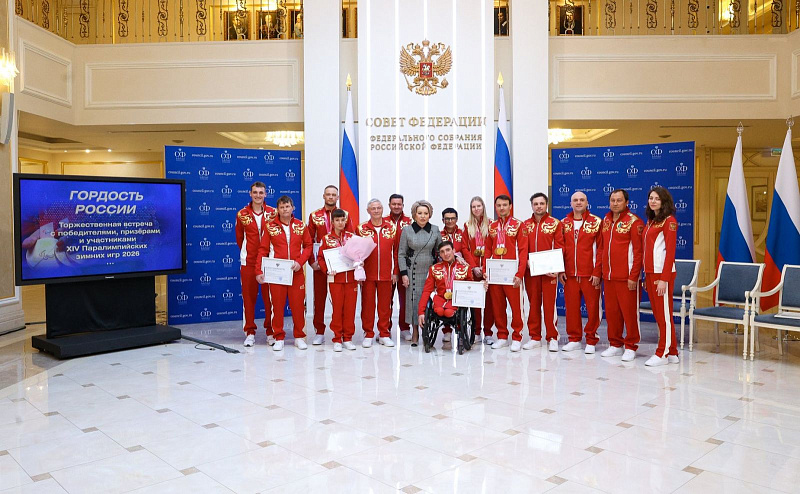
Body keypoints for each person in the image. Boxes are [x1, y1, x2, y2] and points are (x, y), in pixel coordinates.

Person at [256, 195, 313, 351]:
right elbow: (263, 249)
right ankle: (278, 336)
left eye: (287, 206)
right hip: (276, 273)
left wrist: (300, 262)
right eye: (281, 207)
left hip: (296, 272)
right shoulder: (269, 227)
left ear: (292, 208)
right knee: (277, 306)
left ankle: (299, 337)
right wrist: (259, 270)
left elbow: (308, 246)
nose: (284, 209)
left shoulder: (301, 225)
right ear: (278, 210)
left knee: (298, 306)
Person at [596, 189, 644, 362]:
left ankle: (631, 346)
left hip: (627, 278)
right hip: (608, 277)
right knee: (612, 313)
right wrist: (599, 272)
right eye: (612, 200)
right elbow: (601, 249)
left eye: (619, 200)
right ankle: (615, 344)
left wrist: (634, 276)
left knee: (630, 313)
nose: (615, 203)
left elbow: (639, 252)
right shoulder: (606, 221)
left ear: (626, 202)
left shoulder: (634, 222)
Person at [308, 185, 354, 346]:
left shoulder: (345, 215)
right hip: (321, 264)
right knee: (319, 299)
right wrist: (312, 262)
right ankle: (319, 331)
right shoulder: (315, 216)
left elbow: (352, 241)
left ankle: (344, 335)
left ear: (337, 197)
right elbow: (309, 240)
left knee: (342, 301)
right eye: (328, 194)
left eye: (334, 195)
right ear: (323, 196)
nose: (331, 197)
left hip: (342, 268)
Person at [558, 191, 603, 354]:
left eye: (581, 200)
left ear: (587, 202)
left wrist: (597, 271)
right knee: (571, 309)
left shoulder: (597, 222)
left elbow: (601, 250)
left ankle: (591, 339)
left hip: (590, 275)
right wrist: (560, 270)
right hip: (569, 274)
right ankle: (574, 338)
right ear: (570, 203)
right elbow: (559, 249)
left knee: (593, 308)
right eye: (575, 200)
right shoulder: (563, 223)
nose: (578, 203)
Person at [642, 187, 680, 367]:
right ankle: (672, 352)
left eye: (657, 198)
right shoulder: (651, 221)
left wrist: (664, 278)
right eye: (651, 198)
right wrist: (646, 273)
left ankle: (662, 353)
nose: (653, 201)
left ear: (664, 201)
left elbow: (670, 252)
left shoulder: (669, 221)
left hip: (662, 274)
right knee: (660, 315)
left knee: (664, 315)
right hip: (650, 272)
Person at [485, 195, 528, 351]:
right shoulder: (492, 226)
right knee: (498, 306)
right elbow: (488, 250)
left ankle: (517, 337)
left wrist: (520, 273)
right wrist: (486, 271)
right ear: (495, 207)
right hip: (496, 274)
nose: (501, 208)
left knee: (516, 307)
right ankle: (502, 336)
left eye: (504, 205)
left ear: (510, 206)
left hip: (512, 274)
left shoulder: (518, 225)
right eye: (499, 205)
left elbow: (523, 251)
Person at [236, 181, 277, 347]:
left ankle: (271, 332)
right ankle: (250, 332)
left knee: (270, 299)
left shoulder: (273, 213)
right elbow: (240, 238)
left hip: (269, 261)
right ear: (250, 194)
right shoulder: (242, 214)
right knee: (249, 298)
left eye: (261, 192)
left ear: (266, 194)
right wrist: (248, 253)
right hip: (249, 261)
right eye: (255, 192)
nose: (258, 195)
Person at [523, 193, 564, 352]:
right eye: (536, 204)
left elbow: (560, 247)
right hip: (531, 272)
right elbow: (521, 248)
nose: (539, 206)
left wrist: (556, 268)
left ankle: (552, 337)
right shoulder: (525, 225)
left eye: (541, 203)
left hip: (549, 273)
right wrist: (525, 261)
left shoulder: (555, 224)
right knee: (533, 304)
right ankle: (534, 337)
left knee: (549, 305)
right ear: (532, 206)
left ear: (546, 205)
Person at [398, 200, 442, 346]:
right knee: (414, 301)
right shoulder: (407, 230)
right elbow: (401, 254)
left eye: (425, 213)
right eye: (420, 213)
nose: (423, 216)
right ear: (414, 215)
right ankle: (415, 331)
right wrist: (404, 273)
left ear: (430, 215)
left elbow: (440, 252)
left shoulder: (435, 230)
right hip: (412, 273)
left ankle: (428, 329)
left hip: (431, 272)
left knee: (429, 300)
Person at [357, 199, 399, 348]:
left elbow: (396, 252)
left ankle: (384, 334)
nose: (376, 211)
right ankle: (368, 333)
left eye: (378, 208)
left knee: (385, 306)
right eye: (373, 208)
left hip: (387, 275)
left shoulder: (392, 228)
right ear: (368, 211)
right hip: (367, 275)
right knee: (367, 305)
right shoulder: (361, 229)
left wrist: (395, 272)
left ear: (383, 209)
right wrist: (358, 271)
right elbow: (356, 253)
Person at [317, 209, 358, 352]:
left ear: (345, 221)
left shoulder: (353, 238)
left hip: (351, 279)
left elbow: (359, 255)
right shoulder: (326, 239)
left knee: (350, 309)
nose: (340, 223)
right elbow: (321, 258)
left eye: (342, 220)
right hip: (335, 279)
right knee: (337, 308)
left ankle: (348, 338)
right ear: (332, 222)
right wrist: (327, 269)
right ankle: (337, 338)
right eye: (337, 220)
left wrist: (359, 263)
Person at [461, 196, 495, 345]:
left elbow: (492, 247)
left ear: (483, 207)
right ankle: (476, 331)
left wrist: (485, 267)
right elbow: (464, 248)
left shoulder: (492, 225)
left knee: (489, 303)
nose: (476, 209)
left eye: (479, 206)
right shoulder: (467, 225)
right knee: (475, 302)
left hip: (488, 269)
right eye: (473, 207)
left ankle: (488, 332)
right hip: (473, 269)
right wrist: (474, 266)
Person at [418, 241, 473, 327]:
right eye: (442, 252)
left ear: (454, 251)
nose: (446, 254)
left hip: (457, 300)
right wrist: (421, 312)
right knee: (439, 311)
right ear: (439, 254)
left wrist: (481, 285)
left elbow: (471, 288)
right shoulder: (434, 269)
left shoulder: (465, 268)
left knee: (448, 312)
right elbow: (427, 290)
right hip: (439, 299)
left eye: (448, 250)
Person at [385, 194, 413, 341]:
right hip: (387, 269)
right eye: (394, 204)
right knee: (385, 301)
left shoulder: (410, 222)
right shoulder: (382, 222)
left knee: (405, 300)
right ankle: (385, 329)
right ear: (389, 205)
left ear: (403, 205)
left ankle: (404, 328)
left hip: (404, 269)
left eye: (399, 204)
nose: (396, 206)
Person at [439, 207, 465, 342]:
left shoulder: (463, 233)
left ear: (457, 219)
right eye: (447, 219)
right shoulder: (438, 234)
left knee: (460, 299)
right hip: (444, 271)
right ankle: (447, 330)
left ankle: (461, 328)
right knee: (444, 297)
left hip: (459, 271)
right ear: (443, 220)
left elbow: (466, 250)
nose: (450, 221)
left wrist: (471, 267)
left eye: (452, 218)